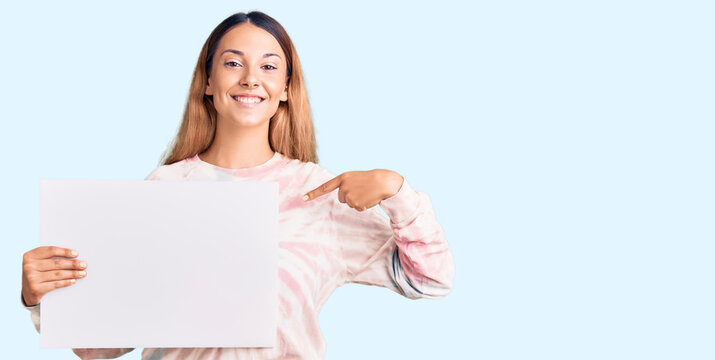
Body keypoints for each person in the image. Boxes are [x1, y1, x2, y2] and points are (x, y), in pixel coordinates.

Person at [21, 11, 454, 359]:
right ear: (208, 82)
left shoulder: (317, 194)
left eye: (268, 66)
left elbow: (431, 280)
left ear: (286, 89)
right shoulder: (165, 187)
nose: (250, 78)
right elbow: (101, 348)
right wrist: (42, 299)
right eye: (233, 63)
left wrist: (397, 192)